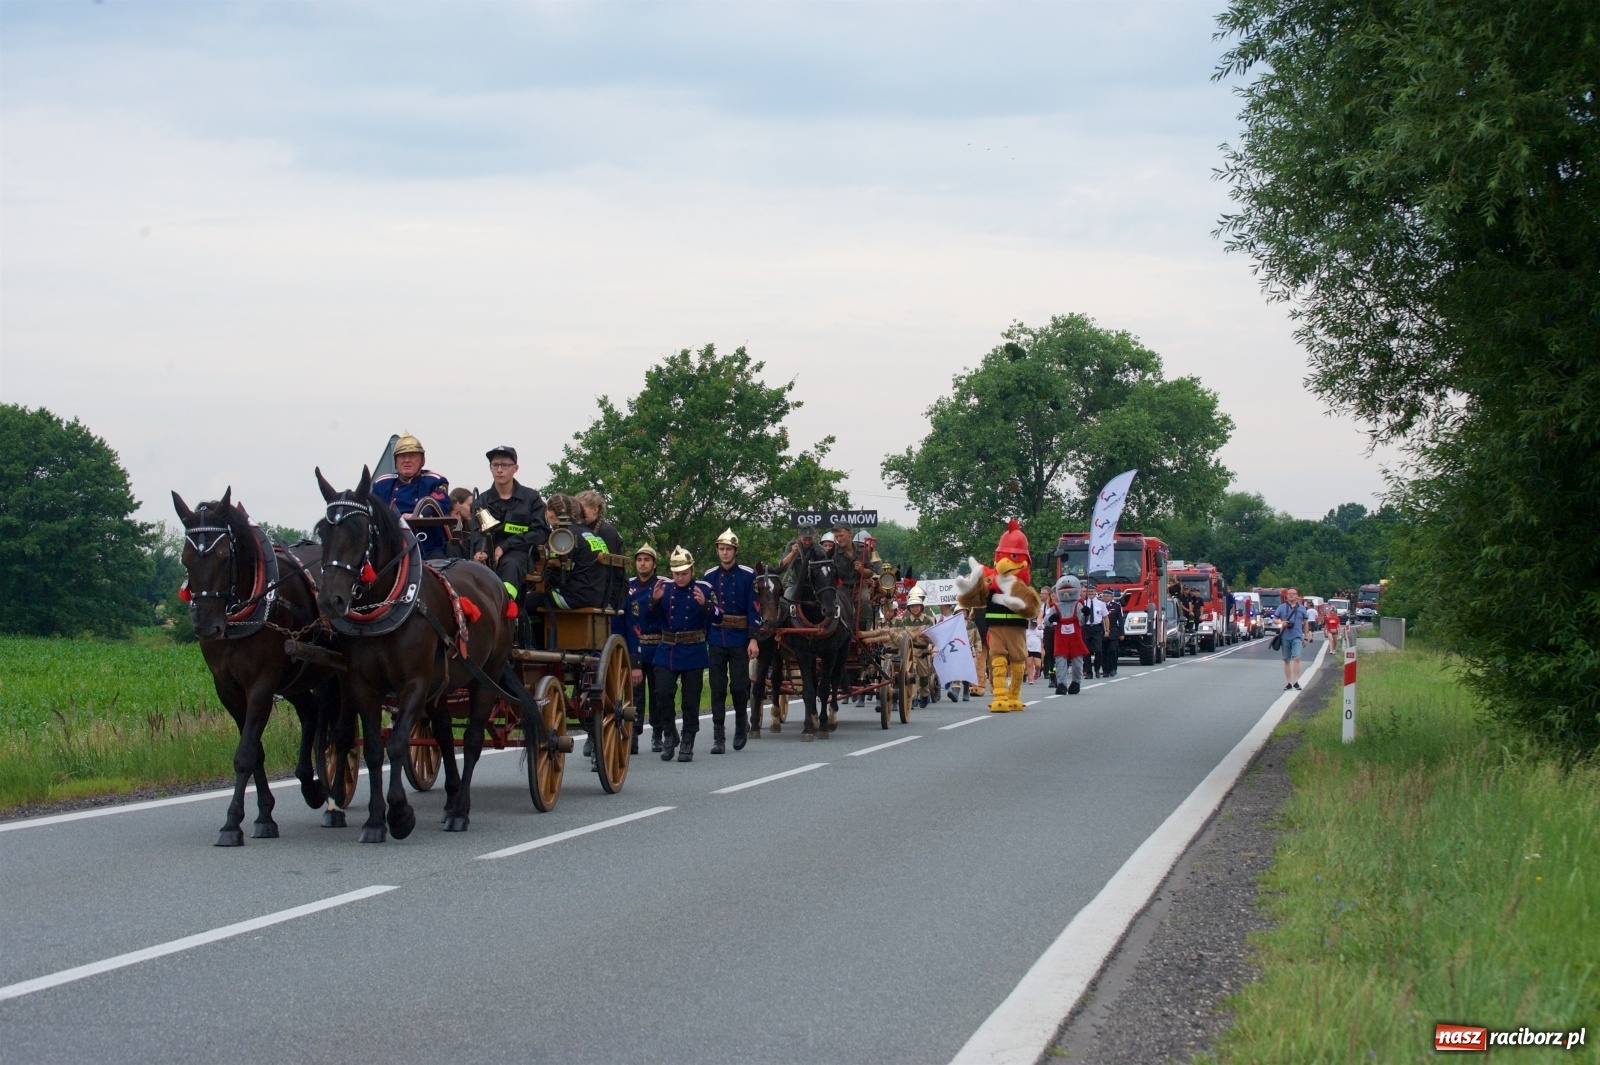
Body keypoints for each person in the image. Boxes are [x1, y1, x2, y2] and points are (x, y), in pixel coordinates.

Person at [650, 546, 720, 763]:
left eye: (684, 573)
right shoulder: (664, 588)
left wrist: (705, 605)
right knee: (662, 693)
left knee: (690, 701)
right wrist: (654, 601)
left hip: (693, 649)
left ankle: (689, 737)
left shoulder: (705, 588)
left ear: (692, 570)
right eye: (676, 573)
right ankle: (669, 734)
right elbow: (648, 620)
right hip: (667, 648)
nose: (680, 578)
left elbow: (719, 616)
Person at [702, 528, 759, 754]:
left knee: (738, 686)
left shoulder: (747, 575)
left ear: (735, 551)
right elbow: (705, 610)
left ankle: (740, 726)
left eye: (728, 549)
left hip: (739, 637)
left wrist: (753, 639)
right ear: (717, 551)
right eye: (721, 549)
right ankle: (718, 734)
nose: (725, 553)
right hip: (716, 636)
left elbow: (754, 608)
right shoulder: (709, 576)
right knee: (717, 687)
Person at [474, 446, 549, 601]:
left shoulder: (531, 498)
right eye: (495, 465)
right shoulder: (482, 500)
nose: (499, 470)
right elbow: (477, 532)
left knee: (511, 564)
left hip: (520, 554)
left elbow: (540, 532)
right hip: (488, 554)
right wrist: (480, 551)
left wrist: (505, 546)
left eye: (505, 465)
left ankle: (506, 605)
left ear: (515, 468)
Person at [370, 430, 451, 558]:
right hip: (391, 549)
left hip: (428, 547)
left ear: (422, 460)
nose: (407, 460)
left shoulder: (435, 481)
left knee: (441, 570)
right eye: (402, 456)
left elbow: (440, 503)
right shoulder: (382, 484)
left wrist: (417, 515)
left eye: (412, 456)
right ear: (396, 461)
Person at [628, 544, 665, 753]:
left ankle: (657, 733)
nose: (642, 564)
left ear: (654, 564)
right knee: (636, 694)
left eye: (647, 560)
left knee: (658, 692)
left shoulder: (662, 585)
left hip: (657, 644)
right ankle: (633, 733)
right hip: (636, 645)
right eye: (639, 560)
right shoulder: (628, 585)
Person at [575, 489, 626, 611]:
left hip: (611, 594)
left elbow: (610, 572)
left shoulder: (606, 532)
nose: (578, 513)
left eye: (582, 509)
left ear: (595, 509)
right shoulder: (582, 531)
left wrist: (608, 601)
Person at [893, 586, 936, 707]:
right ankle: (912, 697)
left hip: (923, 652)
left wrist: (928, 642)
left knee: (924, 676)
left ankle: (924, 695)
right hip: (910, 651)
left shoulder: (928, 620)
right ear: (909, 608)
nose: (915, 609)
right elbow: (901, 636)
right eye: (912, 606)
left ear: (921, 607)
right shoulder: (904, 622)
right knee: (911, 676)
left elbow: (933, 637)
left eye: (917, 606)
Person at [1051, 575, 1090, 694]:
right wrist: (1053, 618)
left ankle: (1076, 682)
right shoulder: (1056, 607)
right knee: (1060, 661)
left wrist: (1086, 614)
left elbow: (1082, 621)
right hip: (1061, 637)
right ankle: (1061, 683)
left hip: (1075, 637)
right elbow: (1047, 621)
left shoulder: (1078, 605)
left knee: (1077, 662)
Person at [1273, 587, 1311, 690]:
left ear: (1297, 595)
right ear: (1286, 596)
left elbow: (1306, 623)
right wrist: (1282, 623)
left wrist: (1306, 637)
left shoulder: (1302, 608)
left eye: (1293, 594)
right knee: (1286, 660)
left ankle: (1296, 681)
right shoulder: (1281, 607)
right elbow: (1274, 619)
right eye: (1289, 594)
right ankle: (1289, 682)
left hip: (1297, 636)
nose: (1291, 595)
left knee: (1297, 657)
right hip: (1285, 637)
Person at [1080, 580, 1108, 678]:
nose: (1090, 593)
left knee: (1098, 650)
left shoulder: (1101, 604)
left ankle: (1097, 669)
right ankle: (1089, 672)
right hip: (1086, 628)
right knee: (1086, 651)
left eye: (1092, 591)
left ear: (1095, 592)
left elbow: (1105, 617)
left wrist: (1107, 630)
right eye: (1089, 592)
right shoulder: (1083, 603)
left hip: (1096, 628)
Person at [443, 488, 476, 559]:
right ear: (458, 504)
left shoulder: (472, 527)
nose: (473, 509)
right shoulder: (448, 536)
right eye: (470, 505)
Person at [1099, 588, 1124, 677]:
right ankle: (1105, 670)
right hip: (1102, 631)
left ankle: (1113, 668)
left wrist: (1121, 633)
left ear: (1111, 597)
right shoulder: (1100, 605)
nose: (1105, 597)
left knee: (1112, 650)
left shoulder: (1116, 606)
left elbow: (1120, 620)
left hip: (1113, 631)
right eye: (1104, 596)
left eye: (1107, 596)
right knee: (1104, 651)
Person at [1024, 612, 1044, 683]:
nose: (1033, 626)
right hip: (1028, 648)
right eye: (1032, 625)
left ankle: (1037, 671)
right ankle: (1030, 678)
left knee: (1038, 665)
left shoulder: (1039, 630)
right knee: (1029, 664)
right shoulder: (1026, 630)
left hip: (1037, 649)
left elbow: (1042, 640)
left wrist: (1042, 648)